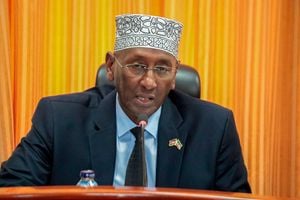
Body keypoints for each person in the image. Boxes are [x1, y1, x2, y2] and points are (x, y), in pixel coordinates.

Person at [0, 14, 251, 192]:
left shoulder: (214, 128)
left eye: (163, 69)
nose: (149, 82)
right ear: (111, 67)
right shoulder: (59, 119)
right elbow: (10, 189)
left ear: (175, 76)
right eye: (137, 66)